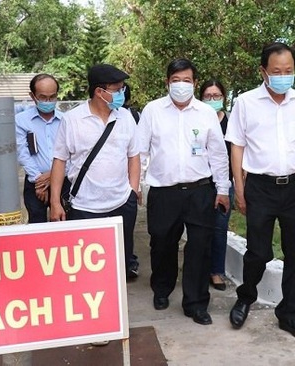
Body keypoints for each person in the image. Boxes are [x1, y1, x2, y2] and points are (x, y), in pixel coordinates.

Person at [225, 42, 295, 340]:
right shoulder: (246, 103)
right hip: (260, 186)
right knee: (258, 252)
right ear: (263, 71)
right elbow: (237, 146)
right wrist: (240, 186)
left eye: (289, 71)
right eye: (277, 71)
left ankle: (288, 313)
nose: (283, 76)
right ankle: (246, 297)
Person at [137, 58, 230, 326]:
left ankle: (196, 303)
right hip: (164, 192)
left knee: (200, 247)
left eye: (186, 80)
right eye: (175, 80)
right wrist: (138, 185)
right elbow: (141, 151)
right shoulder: (152, 110)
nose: (181, 85)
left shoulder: (205, 113)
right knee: (162, 243)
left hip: (200, 191)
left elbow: (218, 154)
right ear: (167, 83)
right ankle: (162, 289)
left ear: (195, 83)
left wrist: (222, 189)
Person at [48, 64, 141, 280]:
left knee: (120, 264)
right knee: (85, 269)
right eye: (117, 89)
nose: (122, 93)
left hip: (121, 205)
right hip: (84, 207)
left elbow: (133, 156)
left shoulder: (125, 117)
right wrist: (55, 203)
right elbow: (59, 161)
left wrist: (132, 190)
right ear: (100, 92)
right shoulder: (72, 120)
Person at [15, 73, 70, 223]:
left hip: (64, 182)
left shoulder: (66, 120)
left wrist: (53, 175)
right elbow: (22, 153)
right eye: (43, 97)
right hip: (35, 183)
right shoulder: (21, 121)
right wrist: (38, 181)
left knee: (65, 223)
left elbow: (73, 154)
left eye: (52, 97)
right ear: (33, 96)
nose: (48, 101)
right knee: (37, 224)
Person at [199, 79, 233, 291]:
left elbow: (237, 153)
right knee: (200, 230)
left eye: (216, 96)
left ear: (224, 98)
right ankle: (200, 270)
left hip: (224, 184)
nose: (212, 100)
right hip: (200, 184)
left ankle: (216, 272)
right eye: (208, 96)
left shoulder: (230, 123)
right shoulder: (198, 121)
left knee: (220, 229)